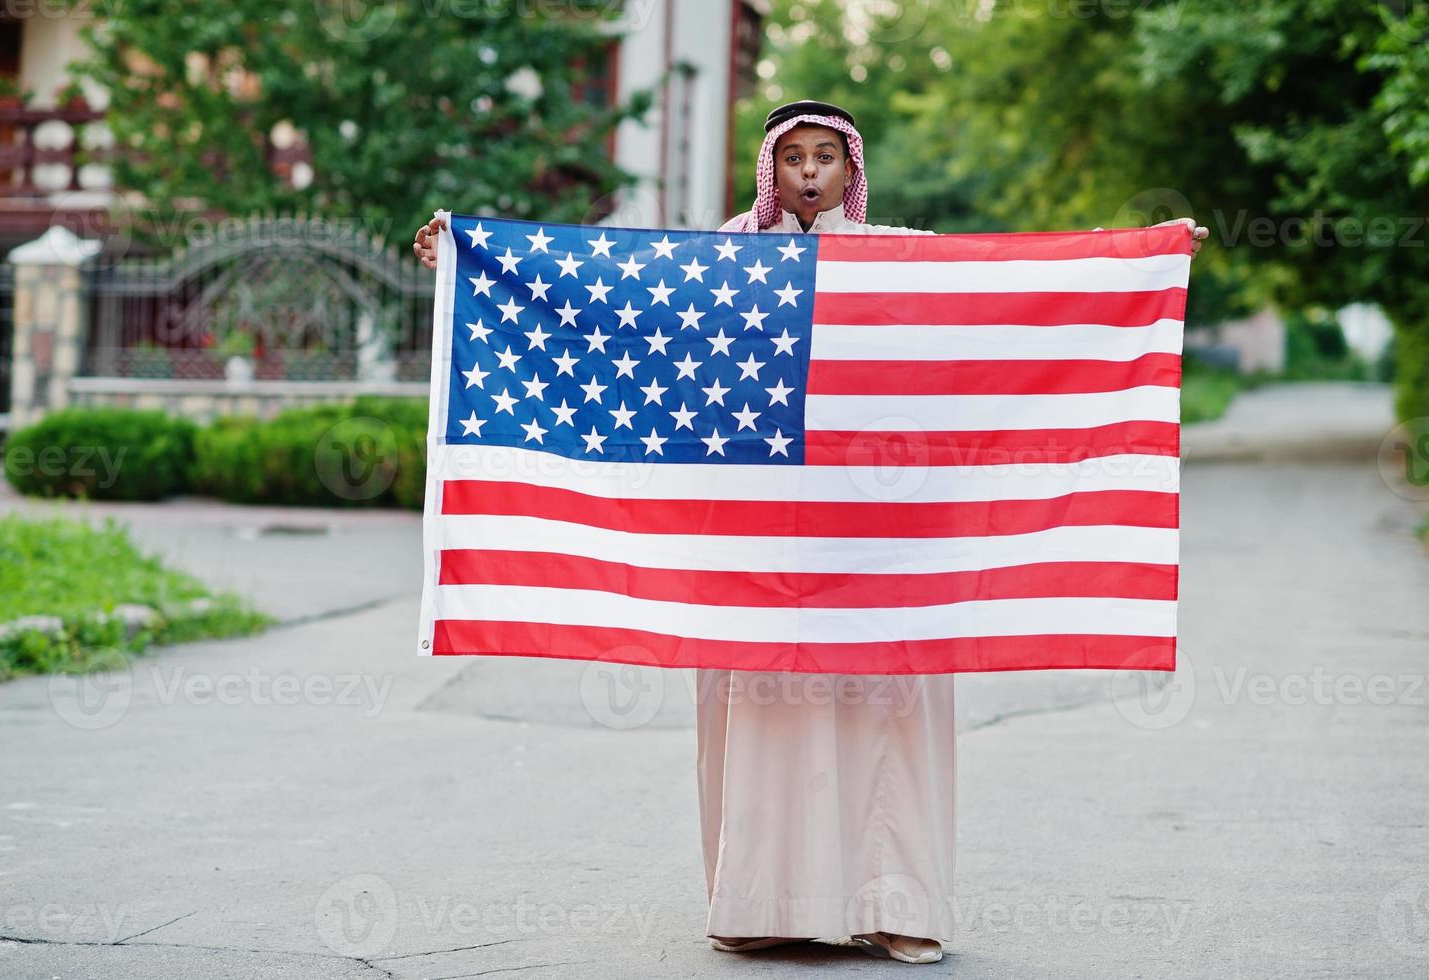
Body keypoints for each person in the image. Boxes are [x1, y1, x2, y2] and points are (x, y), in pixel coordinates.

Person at [412, 99, 1208, 965]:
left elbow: (1020, 298)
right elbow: (616, 314)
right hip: (752, 555)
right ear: (770, 166)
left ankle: (899, 904)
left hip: (882, 552)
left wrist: (1148, 258)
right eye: (792, 157)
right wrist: (463, 258)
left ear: (849, 166)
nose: (808, 173)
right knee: (763, 716)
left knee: (887, 720)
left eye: (824, 155)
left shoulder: (899, 258)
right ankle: (763, 905)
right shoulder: (718, 260)